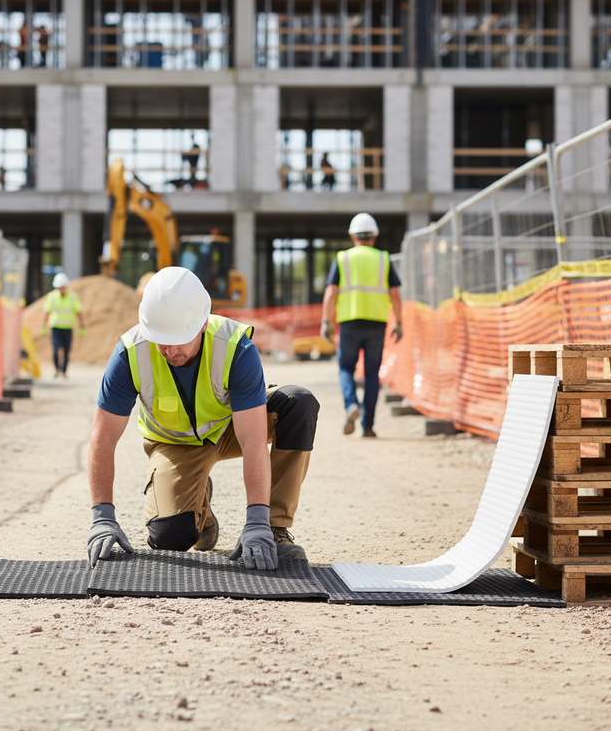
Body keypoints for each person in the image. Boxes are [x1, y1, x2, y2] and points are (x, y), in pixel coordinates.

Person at [85, 266, 319, 571]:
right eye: (160, 339)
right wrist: (102, 516)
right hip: (174, 443)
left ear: (203, 323)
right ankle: (200, 504)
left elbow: (252, 440)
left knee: (297, 403)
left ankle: (275, 530)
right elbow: (102, 439)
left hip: (230, 427)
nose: (169, 350)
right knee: (170, 537)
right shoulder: (129, 353)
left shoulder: (235, 348)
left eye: (179, 339)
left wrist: (257, 520)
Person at [320, 213, 403, 438]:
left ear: (352, 236)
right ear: (374, 237)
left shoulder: (343, 258)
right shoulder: (383, 259)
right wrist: (399, 322)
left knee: (346, 367)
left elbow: (331, 292)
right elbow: (395, 293)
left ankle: (350, 405)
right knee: (372, 374)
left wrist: (326, 322)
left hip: (349, 323)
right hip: (377, 323)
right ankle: (368, 426)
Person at [40, 273, 85, 378]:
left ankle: (64, 371)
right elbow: (46, 311)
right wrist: (42, 325)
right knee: (56, 349)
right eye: (59, 287)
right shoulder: (52, 297)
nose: (61, 289)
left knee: (66, 350)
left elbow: (79, 311)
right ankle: (57, 369)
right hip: (55, 328)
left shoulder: (73, 297)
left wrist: (82, 325)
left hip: (68, 328)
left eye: (63, 286)